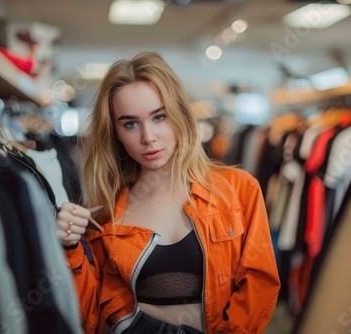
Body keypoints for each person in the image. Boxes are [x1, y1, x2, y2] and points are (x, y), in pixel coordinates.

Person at [56, 52, 280, 334]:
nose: (148, 137)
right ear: (116, 133)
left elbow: (259, 283)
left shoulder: (238, 190)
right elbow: (91, 315)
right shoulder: (107, 216)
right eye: (131, 123)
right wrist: (69, 248)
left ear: (180, 115)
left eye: (159, 117)